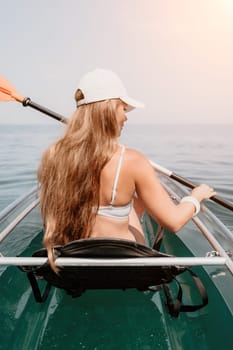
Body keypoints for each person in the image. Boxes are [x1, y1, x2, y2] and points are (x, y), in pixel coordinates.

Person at [38, 68, 216, 270]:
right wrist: (195, 197)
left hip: (73, 266)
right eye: (123, 108)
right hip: (125, 267)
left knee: (129, 199)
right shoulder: (133, 161)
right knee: (144, 197)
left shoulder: (53, 156)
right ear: (109, 109)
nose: (126, 117)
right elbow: (174, 222)